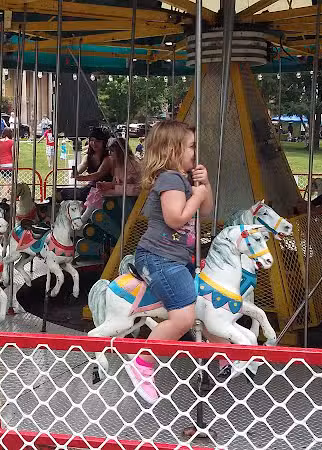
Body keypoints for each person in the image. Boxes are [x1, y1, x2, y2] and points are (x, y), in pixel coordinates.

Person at [125, 120, 212, 404]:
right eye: (191, 147)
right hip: (160, 257)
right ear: (174, 150)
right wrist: (196, 194)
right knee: (185, 318)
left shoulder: (183, 179)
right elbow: (176, 218)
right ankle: (143, 362)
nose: (195, 152)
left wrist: (204, 186)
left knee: (206, 302)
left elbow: (207, 211)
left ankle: (224, 356)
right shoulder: (170, 180)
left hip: (176, 258)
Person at [78, 137, 140, 223]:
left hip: (131, 194)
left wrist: (113, 187)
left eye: (112, 151)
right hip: (123, 191)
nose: (110, 153)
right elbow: (116, 182)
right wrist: (107, 184)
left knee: (101, 194)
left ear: (120, 152)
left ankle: (86, 218)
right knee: (98, 191)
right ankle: (90, 218)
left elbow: (135, 185)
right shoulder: (118, 164)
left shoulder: (132, 164)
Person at [61, 127, 110, 201]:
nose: (94, 143)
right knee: (63, 192)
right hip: (92, 187)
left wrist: (81, 178)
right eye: (92, 140)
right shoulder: (88, 157)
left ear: (104, 142)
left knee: (69, 193)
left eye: (98, 141)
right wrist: (76, 171)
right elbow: (82, 165)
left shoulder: (108, 158)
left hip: (106, 189)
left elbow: (98, 174)